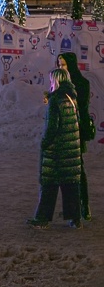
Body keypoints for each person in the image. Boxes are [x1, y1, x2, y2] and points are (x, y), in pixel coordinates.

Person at [29, 67, 84, 229]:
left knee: (49, 185)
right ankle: (75, 219)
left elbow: (52, 127)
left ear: (57, 81)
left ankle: (42, 219)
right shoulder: (71, 98)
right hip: (71, 149)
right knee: (71, 185)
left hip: (57, 150)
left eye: (52, 80)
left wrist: (44, 143)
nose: (50, 83)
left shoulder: (55, 101)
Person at [60, 52, 93, 220]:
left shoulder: (81, 84)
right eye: (59, 65)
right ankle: (73, 208)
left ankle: (84, 206)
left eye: (64, 65)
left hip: (76, 130)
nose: (61, 68)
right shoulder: (59, 84)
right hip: (63, 130)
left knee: (78, 168)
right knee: (66, 170)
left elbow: (81, 107)